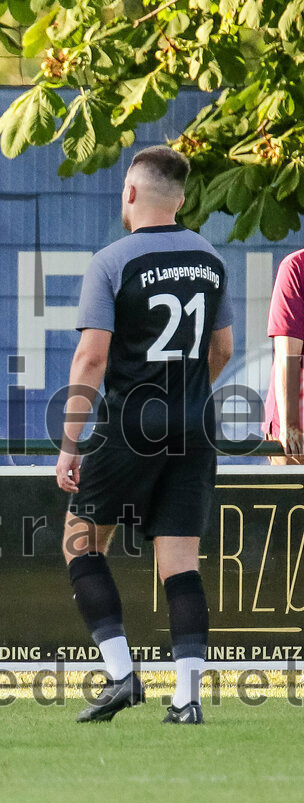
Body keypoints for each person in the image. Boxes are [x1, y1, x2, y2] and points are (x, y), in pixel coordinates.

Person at [55, 146, 234, 725]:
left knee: (81, 542)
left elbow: (91, 358)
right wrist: (182, 399)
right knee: (180, 563)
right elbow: (223, 348)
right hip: (194, 423)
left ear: (130, 193)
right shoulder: (209, 258)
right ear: (180, 201)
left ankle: (121, 675)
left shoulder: (112, 260)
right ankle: (188, 701)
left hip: (131, 423)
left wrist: (70, 442)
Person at [264, 249, 304, 464]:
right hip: (297, 420)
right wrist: (290, 425)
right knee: (292, 496)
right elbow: (288, 355)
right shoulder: (296, 266)